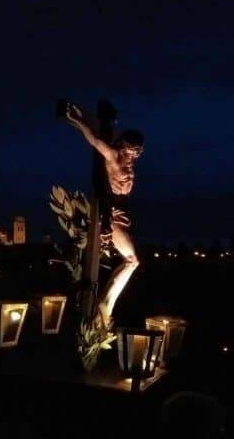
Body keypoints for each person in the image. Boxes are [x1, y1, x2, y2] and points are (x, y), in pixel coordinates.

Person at [65, 104, 144, 329]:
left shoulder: (129, 160)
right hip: (113, 212)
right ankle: (105, 305)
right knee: (132, 261)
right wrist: (78, 120)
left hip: (124, 211)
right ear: (123, 147)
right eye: (129, 153)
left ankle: (106, 304)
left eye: (136, 154)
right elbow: (94, 139)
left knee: (131, 261)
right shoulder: (112, 155)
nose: (131, 158)